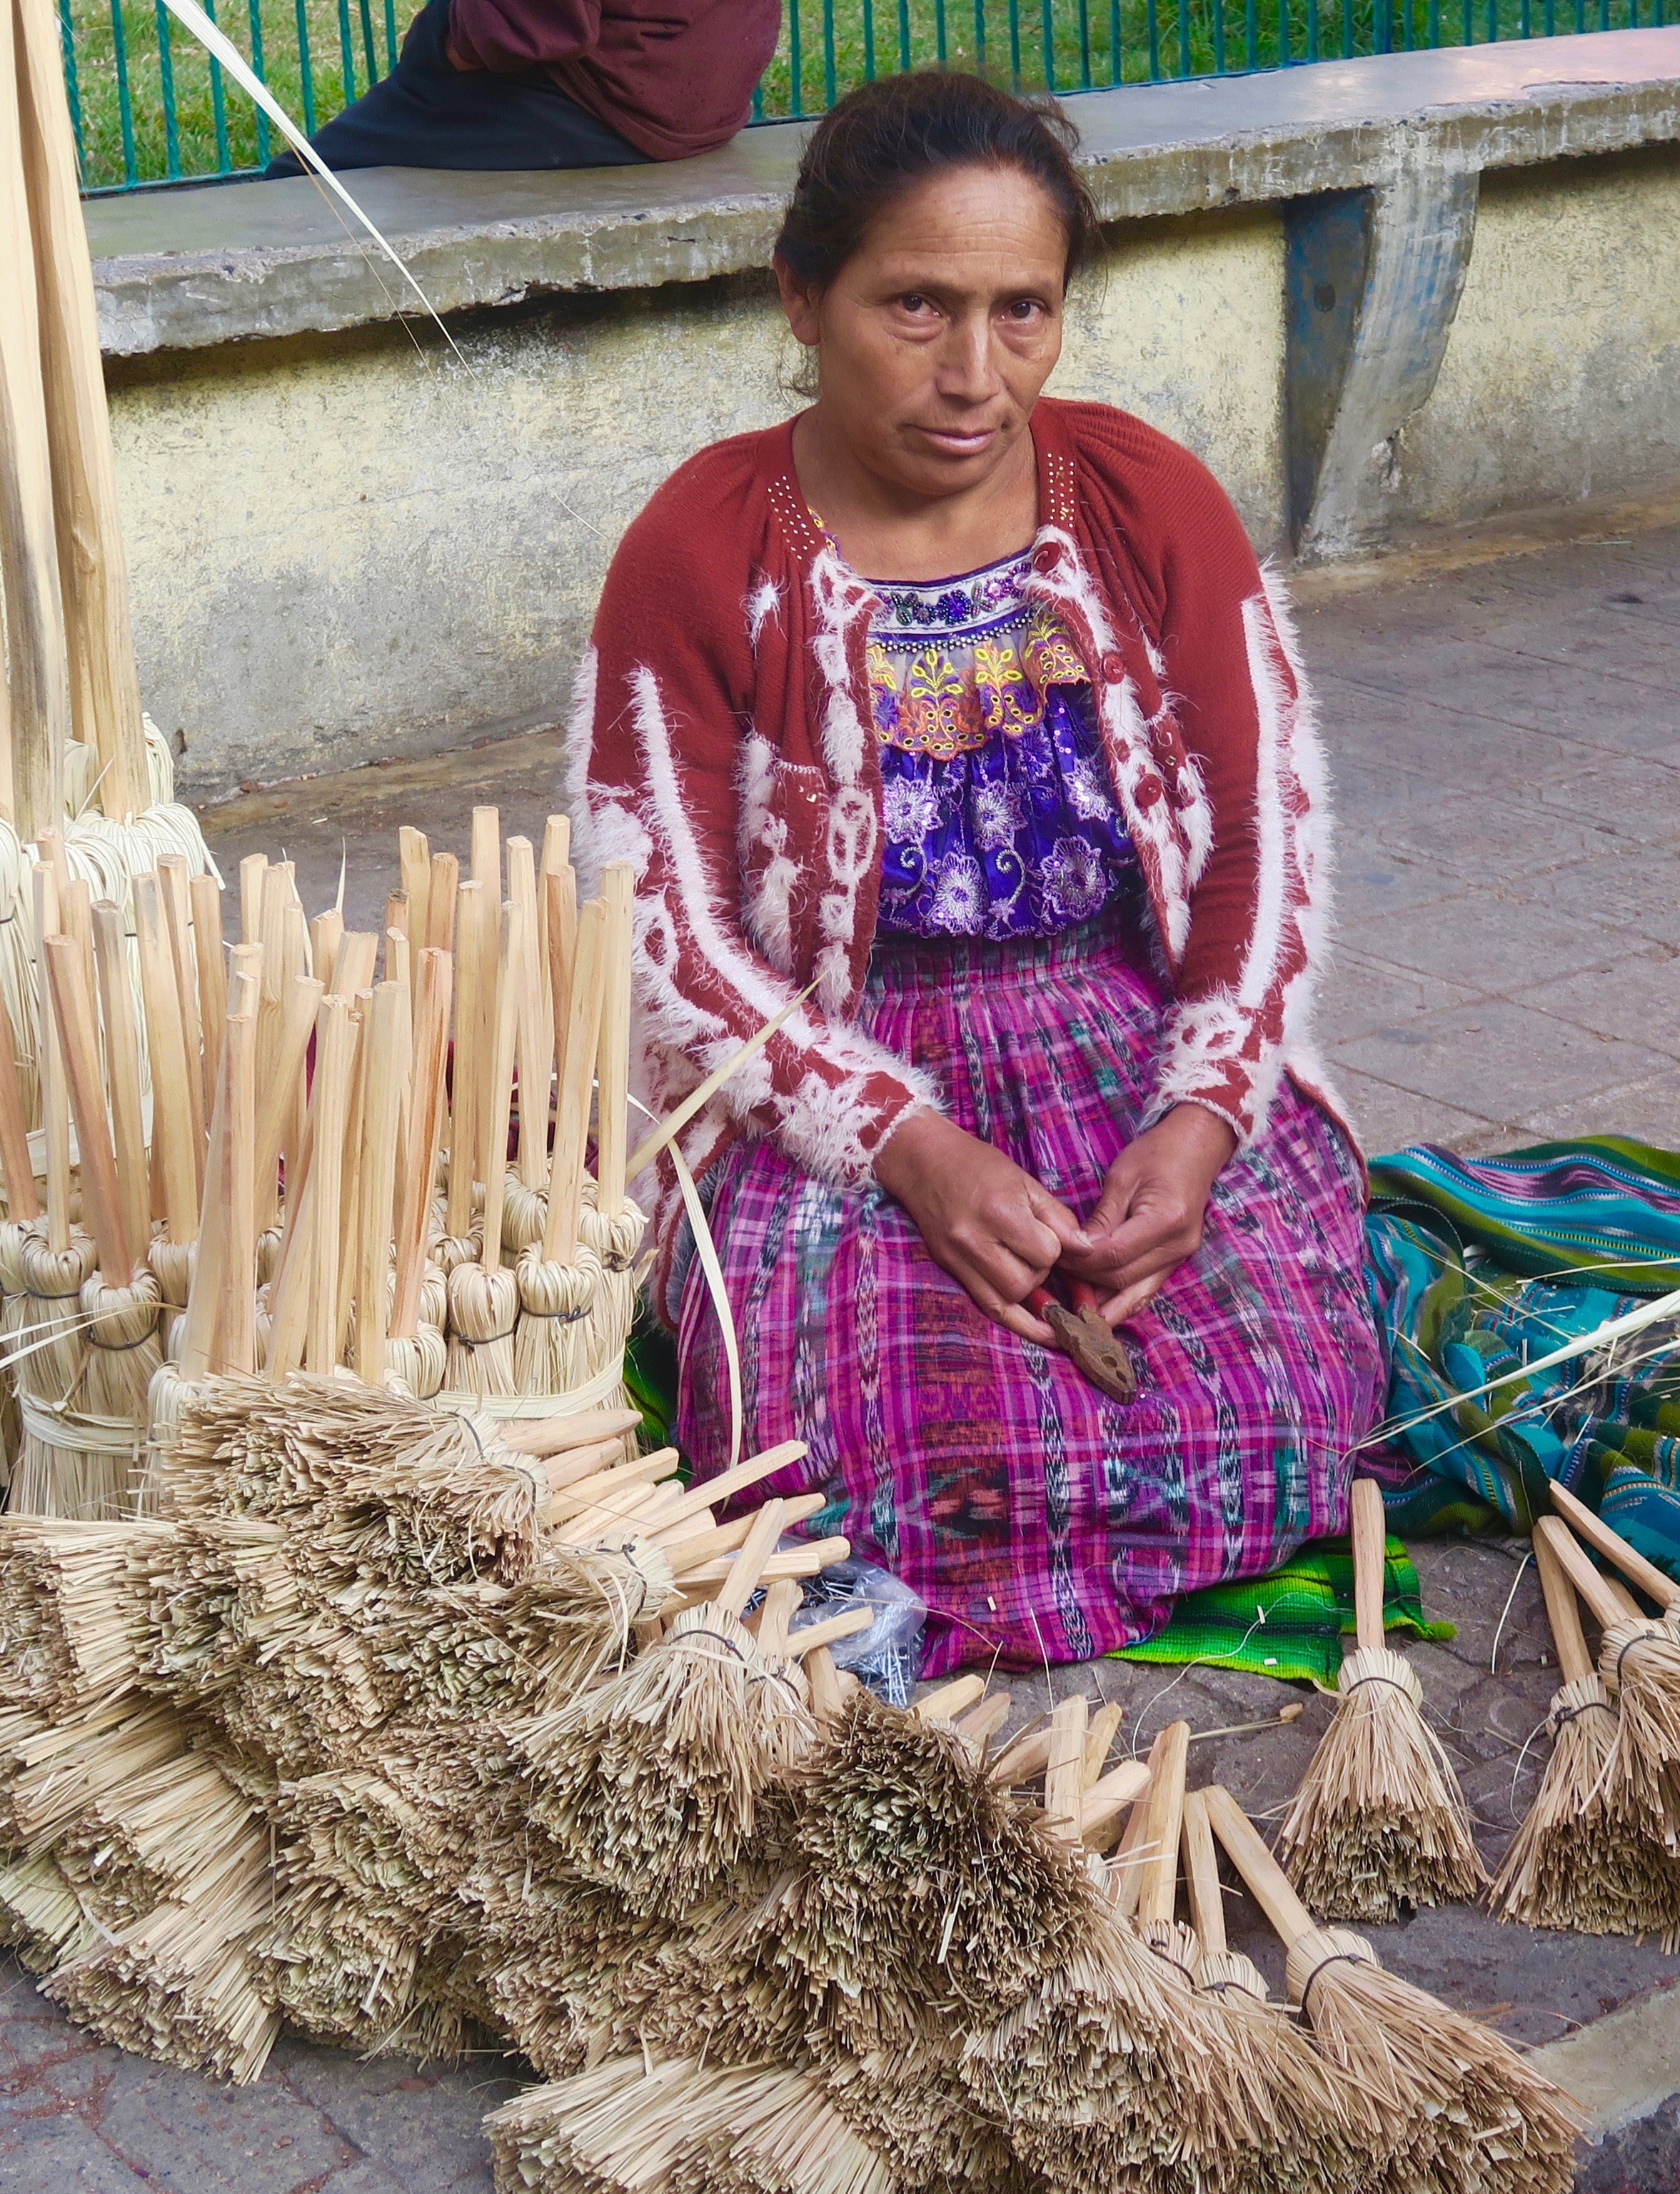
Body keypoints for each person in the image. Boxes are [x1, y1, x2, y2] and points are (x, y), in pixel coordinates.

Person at [568, 69, 1387, 1678]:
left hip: (1115, 1038)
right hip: (823, 1085)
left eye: (1025, 311)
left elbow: (1263, 853)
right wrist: (909, 1149)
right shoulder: (704, 544)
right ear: (803, 297)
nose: (973, 376)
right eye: (916, 306)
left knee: (1272, 1397)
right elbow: (655, 927)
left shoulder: (1145, 500)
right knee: (900, 1454)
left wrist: (1207, 1117)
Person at [261, 0, 778, 175]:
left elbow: (529, 27)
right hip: (712, 83)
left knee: (298, 192)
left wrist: (455, 43)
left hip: (608, 100)